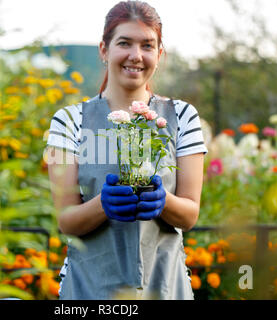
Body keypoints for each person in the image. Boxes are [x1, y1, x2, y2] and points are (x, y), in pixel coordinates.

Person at [45, 0, 207, 300]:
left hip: (165, 286)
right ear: (104, 50)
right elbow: (66, 219)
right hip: (88, 290)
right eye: (124, 43)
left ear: (160, 54)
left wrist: (164, 201)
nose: (136, 55)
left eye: (147, 45)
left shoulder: (182, 116)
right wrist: (102, 204)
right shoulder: (69, 121)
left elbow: (189, 214)